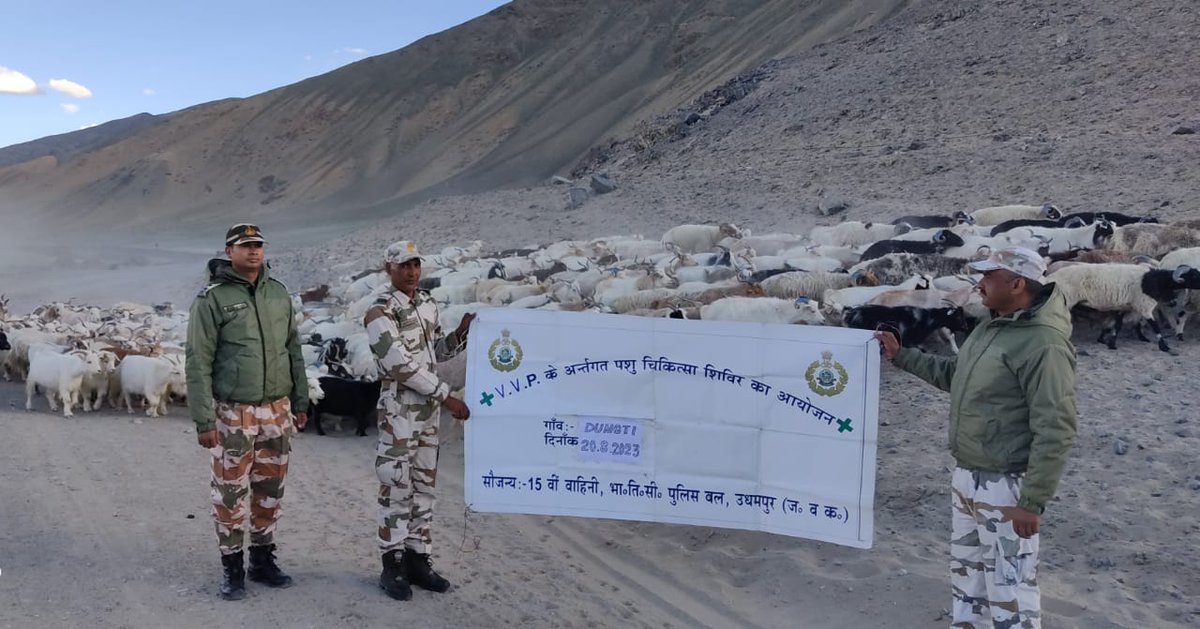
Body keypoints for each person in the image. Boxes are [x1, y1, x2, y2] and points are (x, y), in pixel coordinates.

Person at [874, 246, 1077, 628]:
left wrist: (1032, 501)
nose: (979, 284)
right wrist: (902, 355)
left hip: (1007, 486)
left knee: (1009, 586)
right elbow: (956, 376)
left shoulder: (1043, 343)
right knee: (969, 578)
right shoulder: (992, 326)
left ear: (1016, 284)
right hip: (968, 476)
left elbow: (1056, 426)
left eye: (988, 277)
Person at [185, 223, 309, 601]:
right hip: (233, 413)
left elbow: (294, 349)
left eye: (258, 245)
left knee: (270, 489)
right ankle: (232, 568)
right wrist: (204, 419)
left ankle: (262, 559)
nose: (254, 251)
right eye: (245, 246)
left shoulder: (278, 294)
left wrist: (301, 400)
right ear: (229, 251)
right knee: (230, 494)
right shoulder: (213, 299)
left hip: (276, 410)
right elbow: (197, 361)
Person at [364, 240, 473, 601]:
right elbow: (398, 363)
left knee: (424, 486)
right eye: (404, 266)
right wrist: (447, 396)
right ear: (388, 269)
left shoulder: (427, 304)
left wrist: (459, 336)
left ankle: (418, 557)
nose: (411, 272)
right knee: (396, 484)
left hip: (427, 414)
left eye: (416, 266)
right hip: (400, 410)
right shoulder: (379, 312)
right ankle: (392, 563)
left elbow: (435, 352)